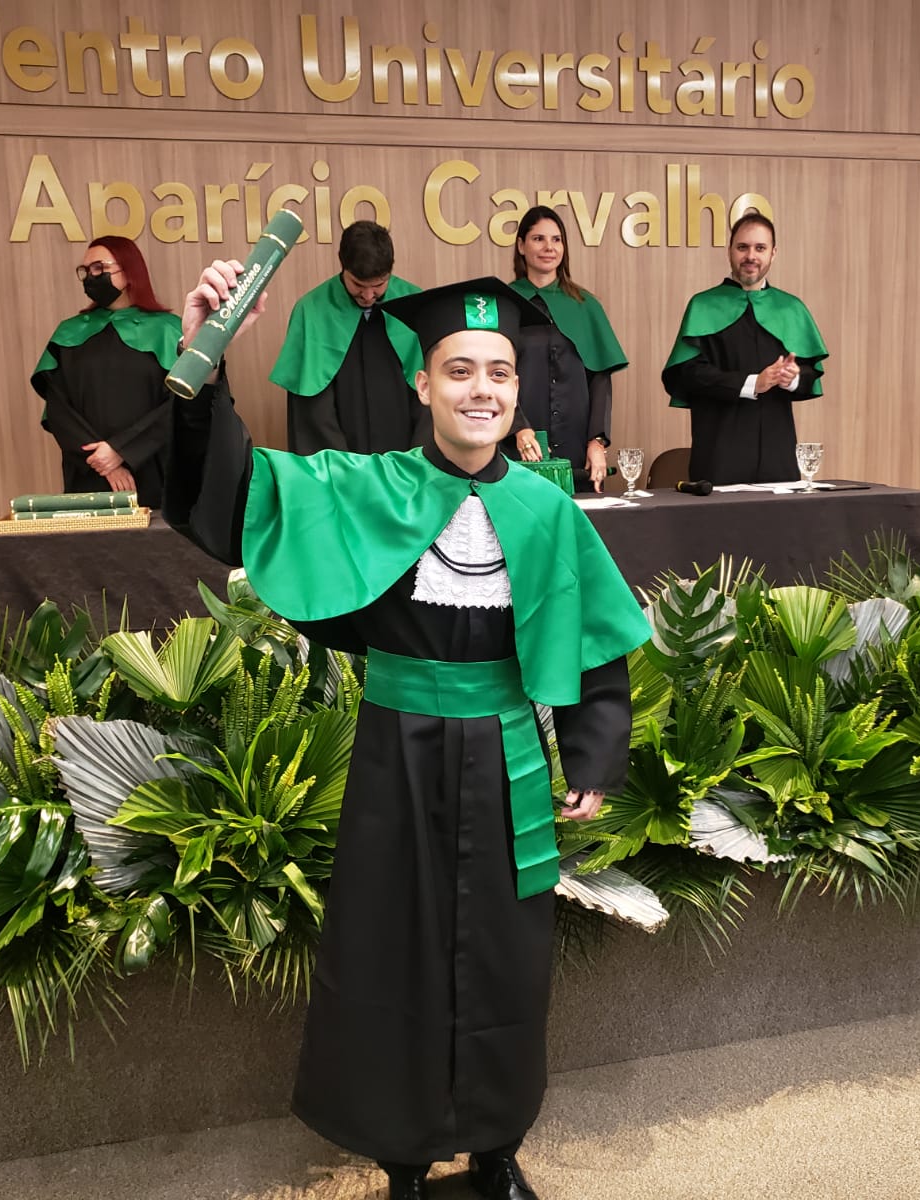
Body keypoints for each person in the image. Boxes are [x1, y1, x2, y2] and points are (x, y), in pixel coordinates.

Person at [165, 266, 650, 1200]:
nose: (481, 390)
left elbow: (592, 643)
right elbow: (233, 496)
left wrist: (591, 753)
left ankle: (497, 1150)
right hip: (397, 753)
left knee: (507, 963)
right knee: (394, 955)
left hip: (507, 757)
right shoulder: (365, 486)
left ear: (517, 388)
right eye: (459, 371)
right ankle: (405, 1163)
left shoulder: (549, 508)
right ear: (422, 384)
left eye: (499, 373)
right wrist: (208, 355)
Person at [661, 211, 829, 485]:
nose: (751, 256)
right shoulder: (703, 306)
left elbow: (810, 371)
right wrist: (752, 383)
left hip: (777, 455)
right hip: (719, 454)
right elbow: (688, 374)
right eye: (743, 247)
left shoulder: (791, 308)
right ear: (730, 251)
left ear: (773, 253)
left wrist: (792, 378)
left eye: (760, 248)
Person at [31, 236, 182, 506]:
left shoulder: (168, 330)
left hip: (156, 470)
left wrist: (121, 450)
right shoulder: (70, 333)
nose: (91, 276)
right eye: (86, 270)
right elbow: (58, 409)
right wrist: (106, 463)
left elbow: (180, 405)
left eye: (99, 268)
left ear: (129, 271)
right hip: (89, 472)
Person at [270, 220, 426, 454]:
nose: (368, 295)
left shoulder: (415, 303)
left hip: (403, 456)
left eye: (379, 285)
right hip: (340, 458)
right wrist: (342, 466)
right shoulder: (311, 311)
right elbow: (313, 411)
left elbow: (429, 397)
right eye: (358, 284)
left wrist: (415, 461)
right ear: (342, 264)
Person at [503, 206, 627, 493]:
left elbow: (600, 380)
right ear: (521, 246)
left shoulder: (585, 305)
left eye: (556, 240)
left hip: (577, 450)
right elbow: (495, 376)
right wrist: (518, 427)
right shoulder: (505, 303)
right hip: (517, 444)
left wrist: (597, 442)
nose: (549, 247)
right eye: (538, 239)